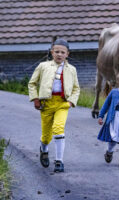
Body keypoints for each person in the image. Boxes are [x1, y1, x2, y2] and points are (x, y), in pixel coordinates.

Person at [28, 38, 80, 172]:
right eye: (56, 51)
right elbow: (32, 83)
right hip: (46, 103)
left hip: (62, 103)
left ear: (67, 54)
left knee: (58, 128)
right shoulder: (43, 66)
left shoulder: (72, 69)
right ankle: (44, 150)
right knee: (46, 136)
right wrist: (35, 98)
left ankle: (59, 161)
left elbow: (76, 88)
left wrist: (71, 101)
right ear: (52, 52)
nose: (59, 54)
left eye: (63, 52)